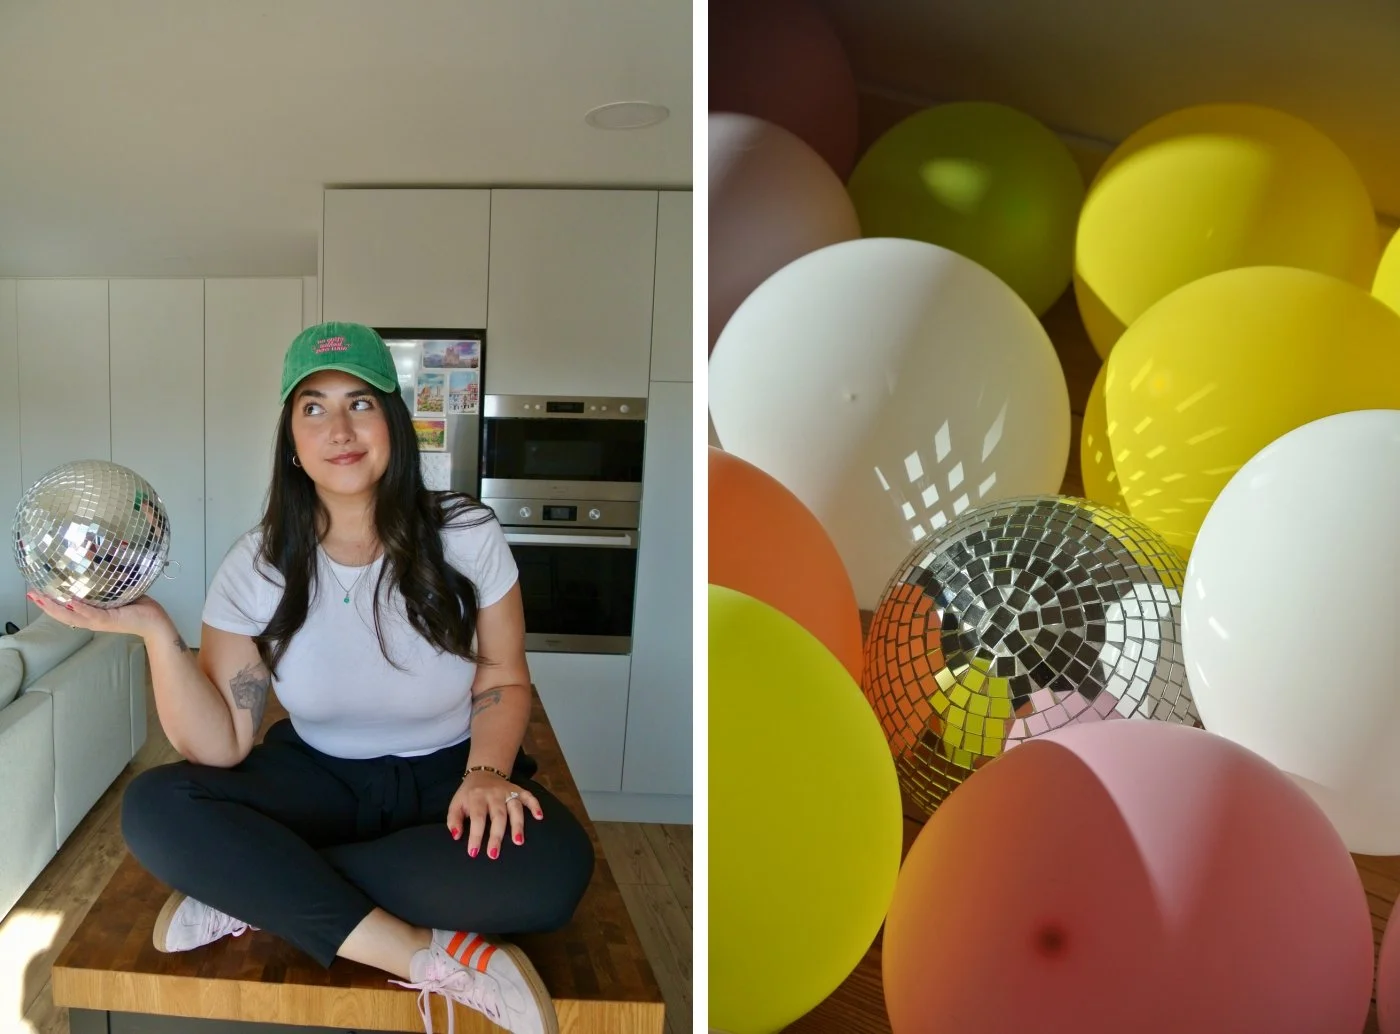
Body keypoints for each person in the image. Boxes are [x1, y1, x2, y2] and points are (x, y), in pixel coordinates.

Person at [28, 321, 594, 1034]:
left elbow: (505, 676)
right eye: (314, 407)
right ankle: (421, 952)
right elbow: (226, 744)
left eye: (361, 402)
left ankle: (258, 888)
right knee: (155, 806)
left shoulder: (466, 534)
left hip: (447, 777)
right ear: (291, 441)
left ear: (393, 420)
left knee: (554, 870)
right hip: (316, 779)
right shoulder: (257, 567)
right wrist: (153, 632)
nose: (340, 428)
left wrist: (486, 771)